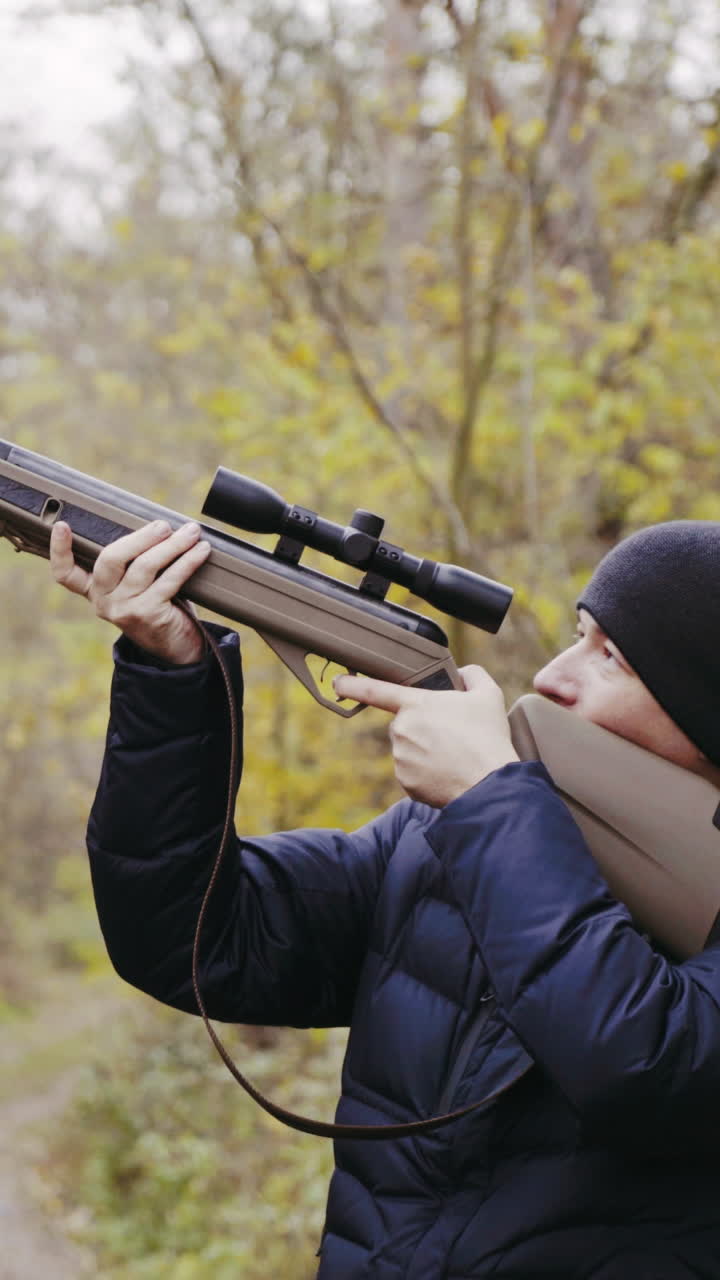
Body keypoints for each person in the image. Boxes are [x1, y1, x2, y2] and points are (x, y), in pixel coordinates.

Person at [49, 515, 720, 1279]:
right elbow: (197, 942)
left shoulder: (489, 821)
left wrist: (491, 803)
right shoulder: (447, 834)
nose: (552, 677)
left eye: (611, 660)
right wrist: (171, 675)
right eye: (577, 636)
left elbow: (645, 1069)